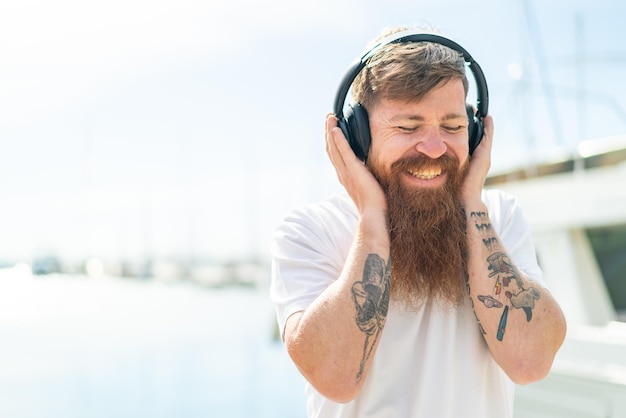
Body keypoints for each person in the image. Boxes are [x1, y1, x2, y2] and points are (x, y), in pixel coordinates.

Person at [269, 26, 567, 418]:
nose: (434, 147)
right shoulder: (308, 231)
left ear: (476, 133)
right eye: (408, 127)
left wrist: (471, 202)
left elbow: (531, 362)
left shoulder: (498, 217)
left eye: (453, 126)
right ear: (358, 136)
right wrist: (373, 218)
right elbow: (335, 378)